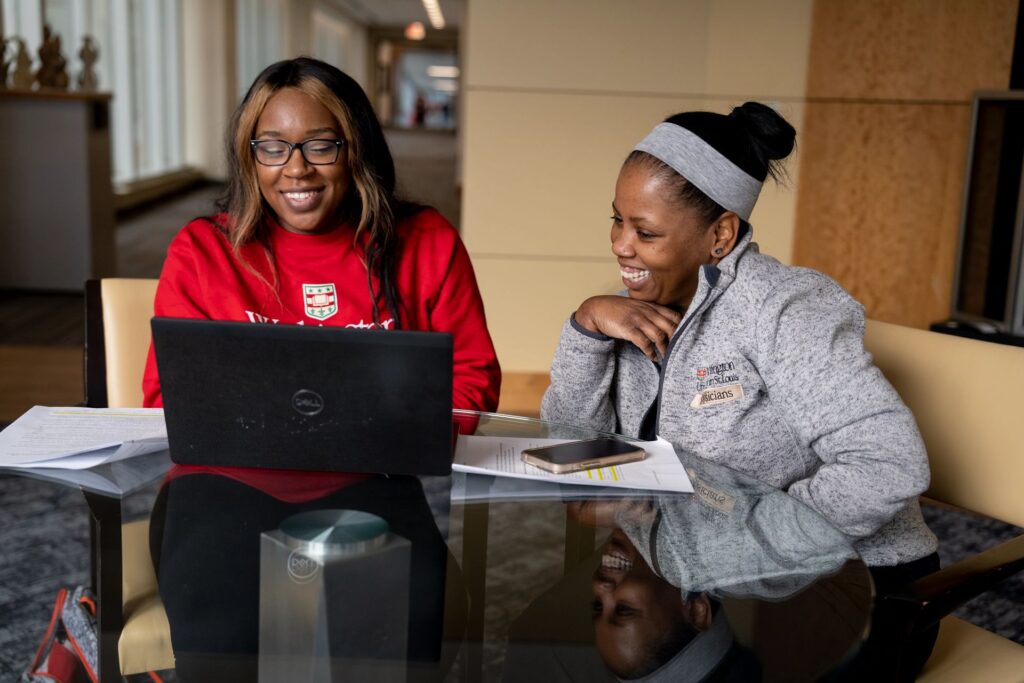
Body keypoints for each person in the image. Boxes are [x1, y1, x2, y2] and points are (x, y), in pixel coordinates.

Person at [540, 102, 938, 681]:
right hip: (716, 580)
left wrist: (727, 546)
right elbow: (569, 450)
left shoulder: (784, 308)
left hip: (855, 589)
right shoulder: (637, 310)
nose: (621, 246)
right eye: (617, 220)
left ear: (721, 235)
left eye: (645, 231)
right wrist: (586, 329)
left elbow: (888, 465)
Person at [144, 57, 495, 679]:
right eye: (273, 147)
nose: (296, 168)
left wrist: (423, 426)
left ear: (355, 147)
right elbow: (164, 397)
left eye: (319, 145)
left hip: (371, 483)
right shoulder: (203, 250)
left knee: (421, 618)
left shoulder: (427, 241)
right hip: (222, 485)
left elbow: (471, 379)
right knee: (223, 628)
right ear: (250, 156)